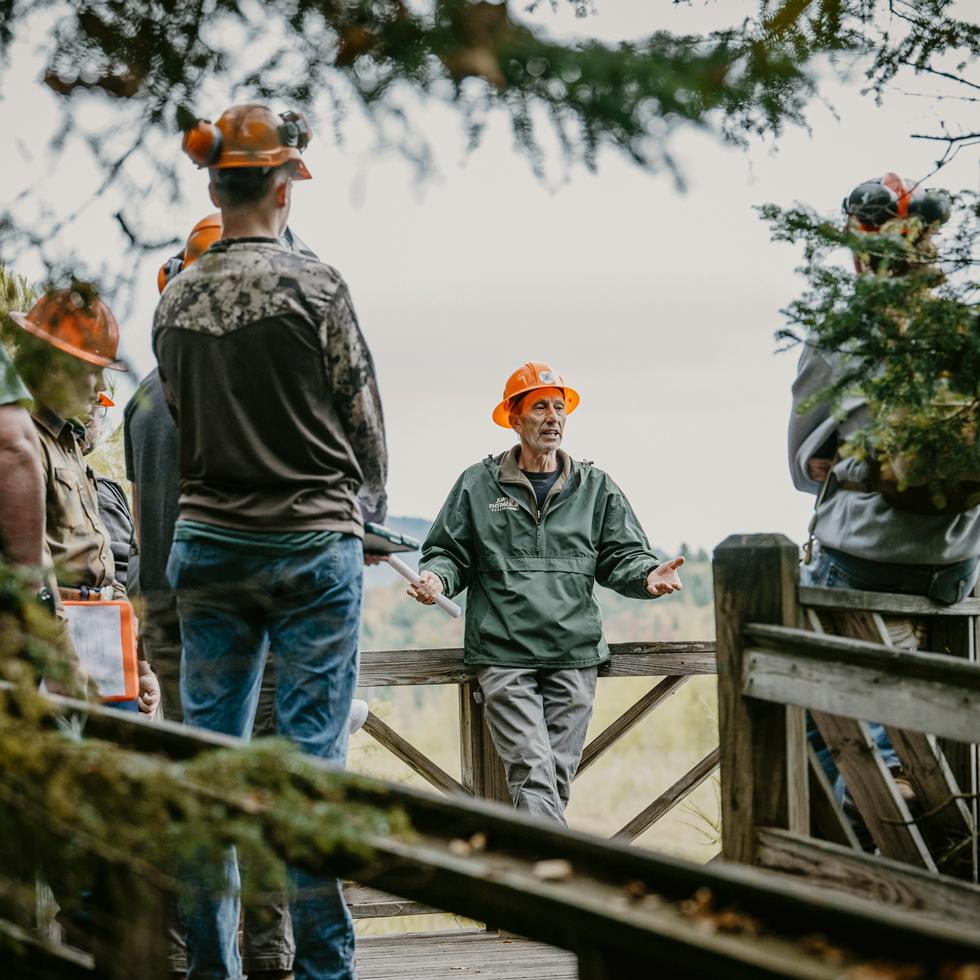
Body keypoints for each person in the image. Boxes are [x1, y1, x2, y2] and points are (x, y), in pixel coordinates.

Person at [153, 105, 387, 980]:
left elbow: (182, 423)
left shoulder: (174, 298)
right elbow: (365, 428)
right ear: (286, 185)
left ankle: (213, 973)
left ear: (216, 184)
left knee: (207, 772)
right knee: (309, 771)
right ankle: (323, 973)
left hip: (208, 544)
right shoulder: (318, 288)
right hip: (311, 546)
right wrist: (360, 513)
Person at [409, 362, 684, 823]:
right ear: (515, 419)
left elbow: (623, 557)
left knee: (553, 777)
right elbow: (448, 552)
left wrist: (647, 576)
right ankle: (555, 879)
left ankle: (532, 871)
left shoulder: (595, 488)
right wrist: (437, 578)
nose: (553, 417)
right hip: (503, 653)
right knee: (533, 774)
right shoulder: (477, 484)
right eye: (540, 407)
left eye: (560, 407)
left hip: (573, 654)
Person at [789, 172, 980, 803]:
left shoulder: (843, 329)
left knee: (807, 690)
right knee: (929, 706)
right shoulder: (966, 327)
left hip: (863, 560)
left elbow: (799, 465)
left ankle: (878, 804)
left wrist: (841, 460)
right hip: (956, 570)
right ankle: (920, 782)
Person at [10, 289, 159, 714]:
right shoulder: (20, 443)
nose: (99, 389)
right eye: (90, 371)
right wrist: (63, 660)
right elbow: (31, 573)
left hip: (104, 649)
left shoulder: (70, 444)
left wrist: (137, 663)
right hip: (53, 659)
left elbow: (101, 564)